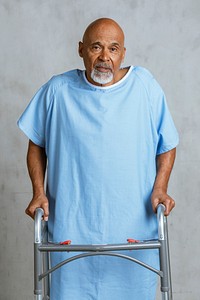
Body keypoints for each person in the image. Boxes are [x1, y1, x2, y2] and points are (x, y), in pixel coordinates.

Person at [18, 18, 179, 300]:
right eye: (96, 47)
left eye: (113, 49)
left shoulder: (145, 87)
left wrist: (160, 188)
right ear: (81, 50)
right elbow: (36, 144)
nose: (105, 57)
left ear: (123, 54)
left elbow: (167, 144)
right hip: (73, 227)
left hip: (132, 228)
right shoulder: (57, 90)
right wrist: (38, 193)